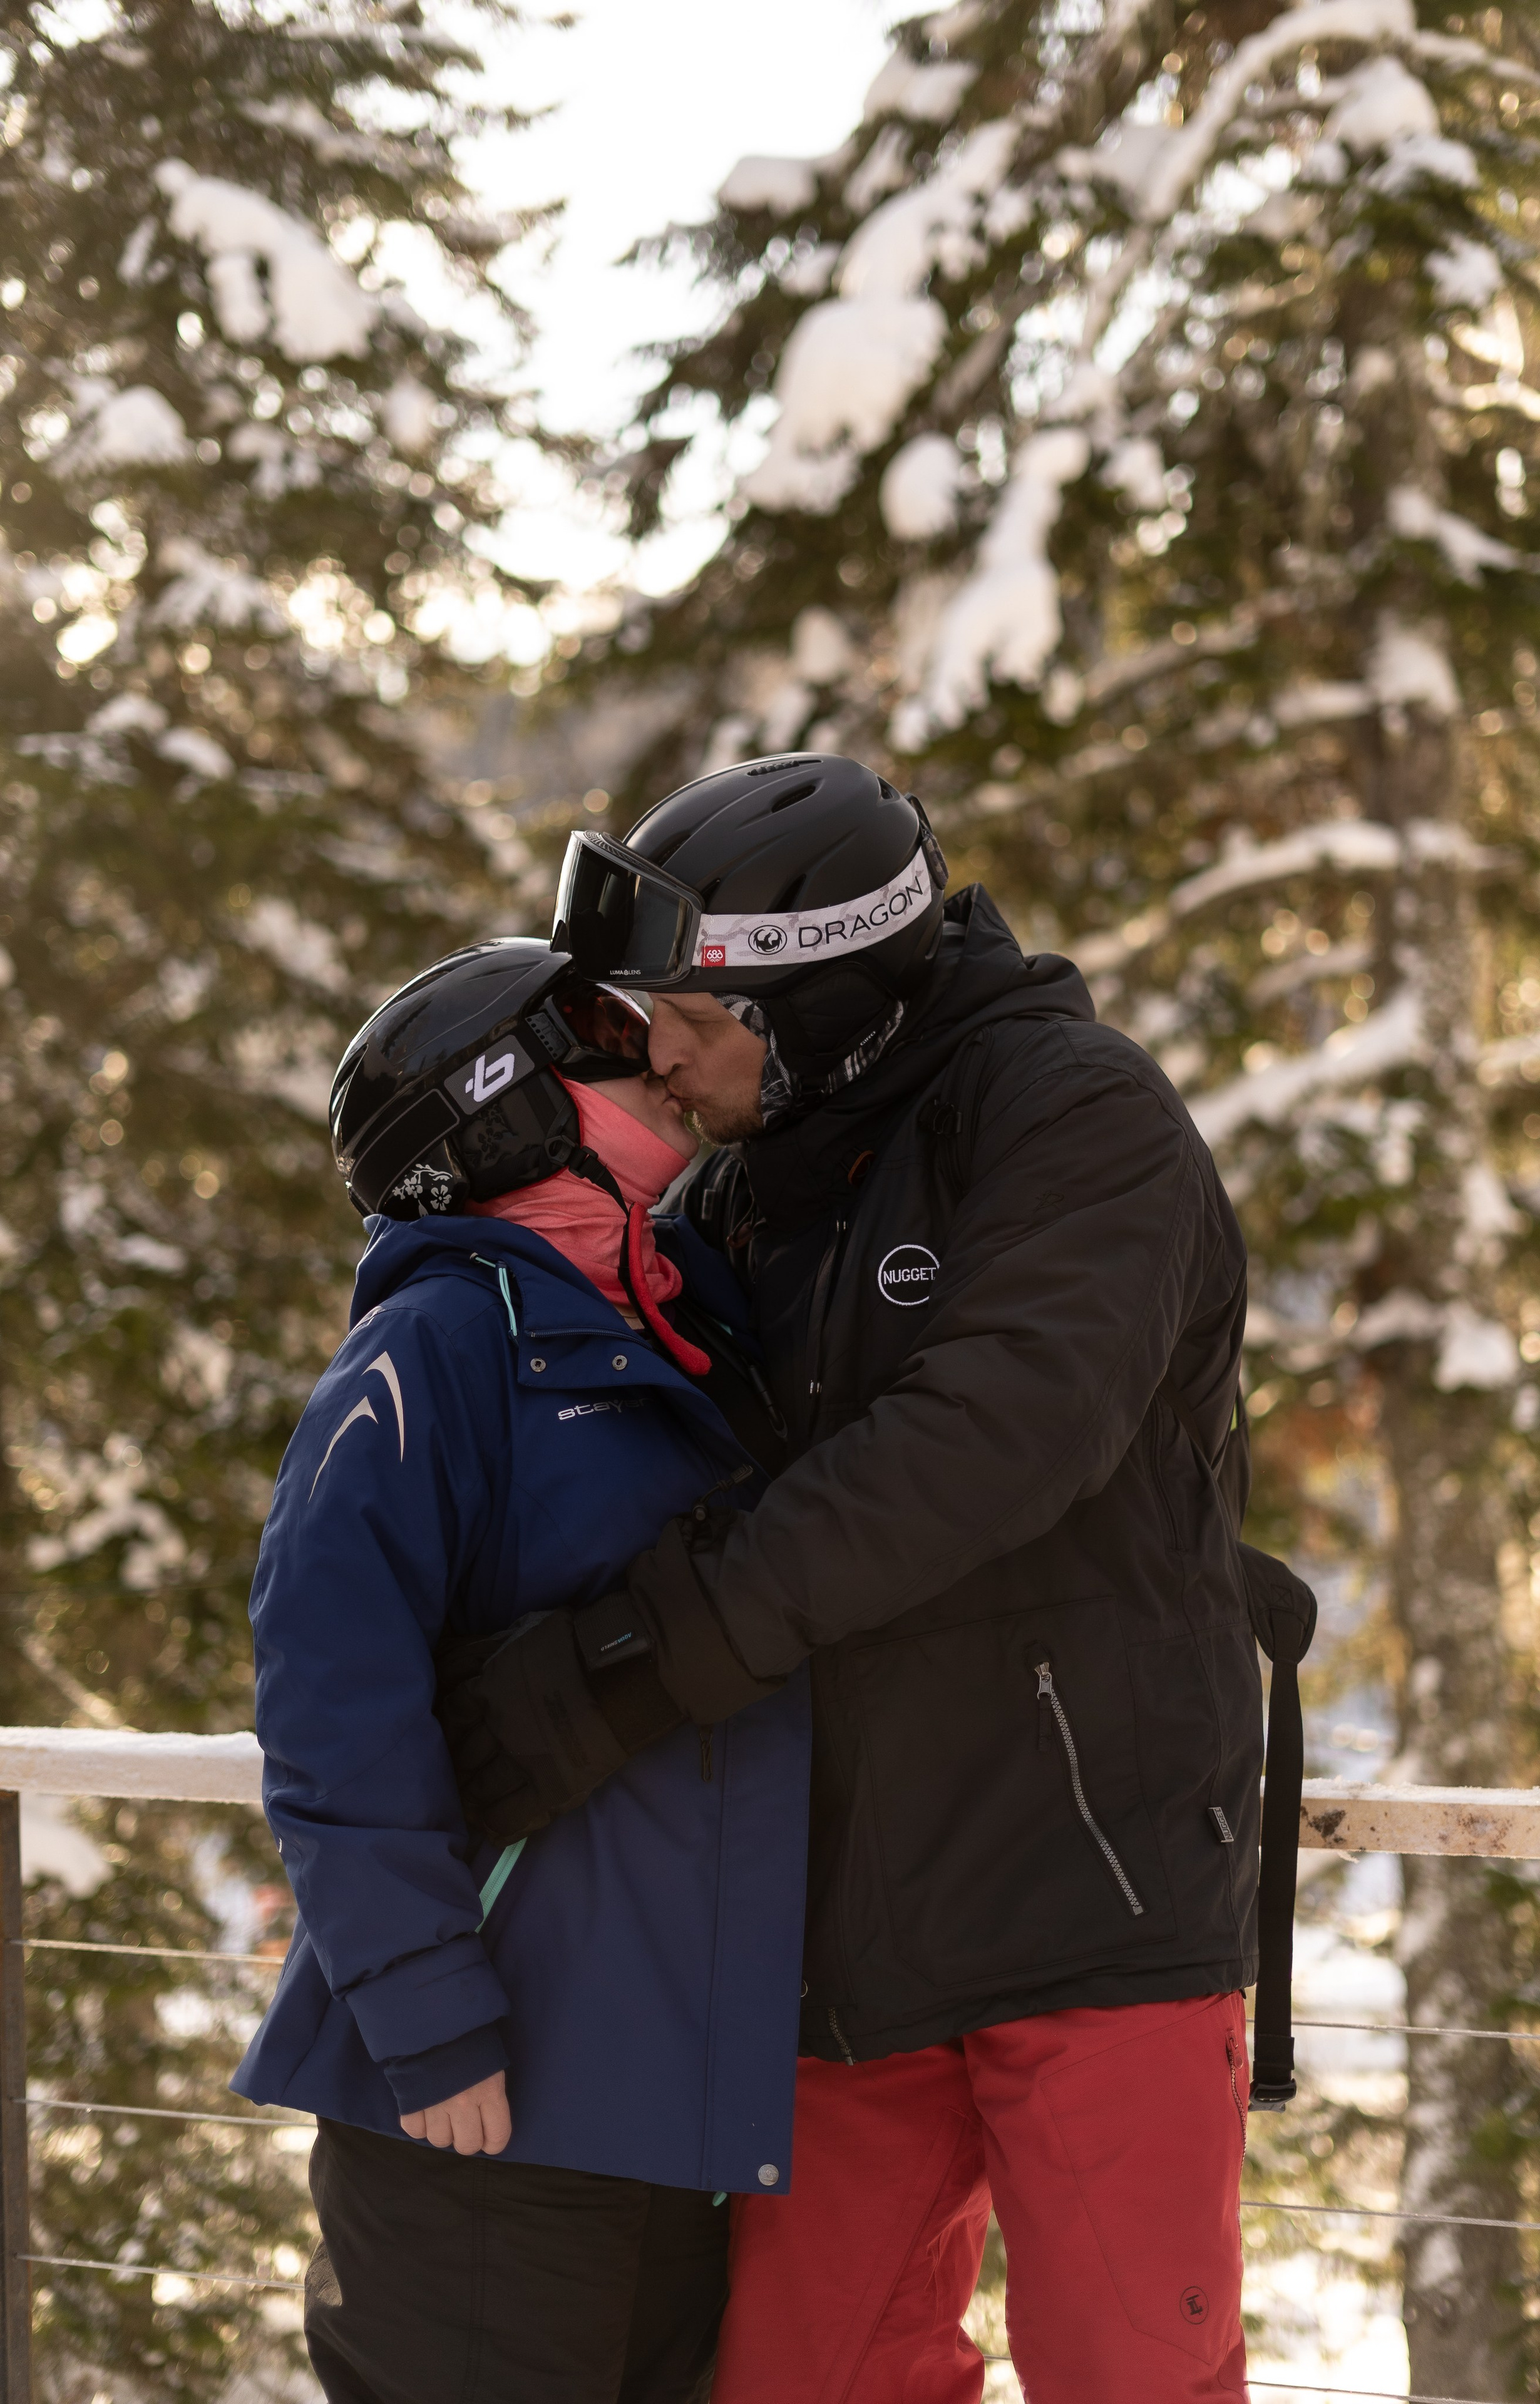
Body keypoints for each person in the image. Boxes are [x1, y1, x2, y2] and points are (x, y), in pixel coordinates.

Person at [438, 756, 1272, 2404]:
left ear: (816, 997)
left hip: (1090, 1890)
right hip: (849, 1919)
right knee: (807, 2380)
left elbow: (990, 1440)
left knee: (1134, 2378)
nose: (658, 1058)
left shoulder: (1070, 1111)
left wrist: (632, 1658)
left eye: (689, 1016)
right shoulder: (761, 1173)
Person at [232, 937, 810, 2404]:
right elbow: (328, 1707)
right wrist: (429, 2028)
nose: (662, 1058)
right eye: (614, 1043)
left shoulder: (684, 1322)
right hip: (482, 2119)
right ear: (510, 1111)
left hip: (671, 2113)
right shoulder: (429, 1353)